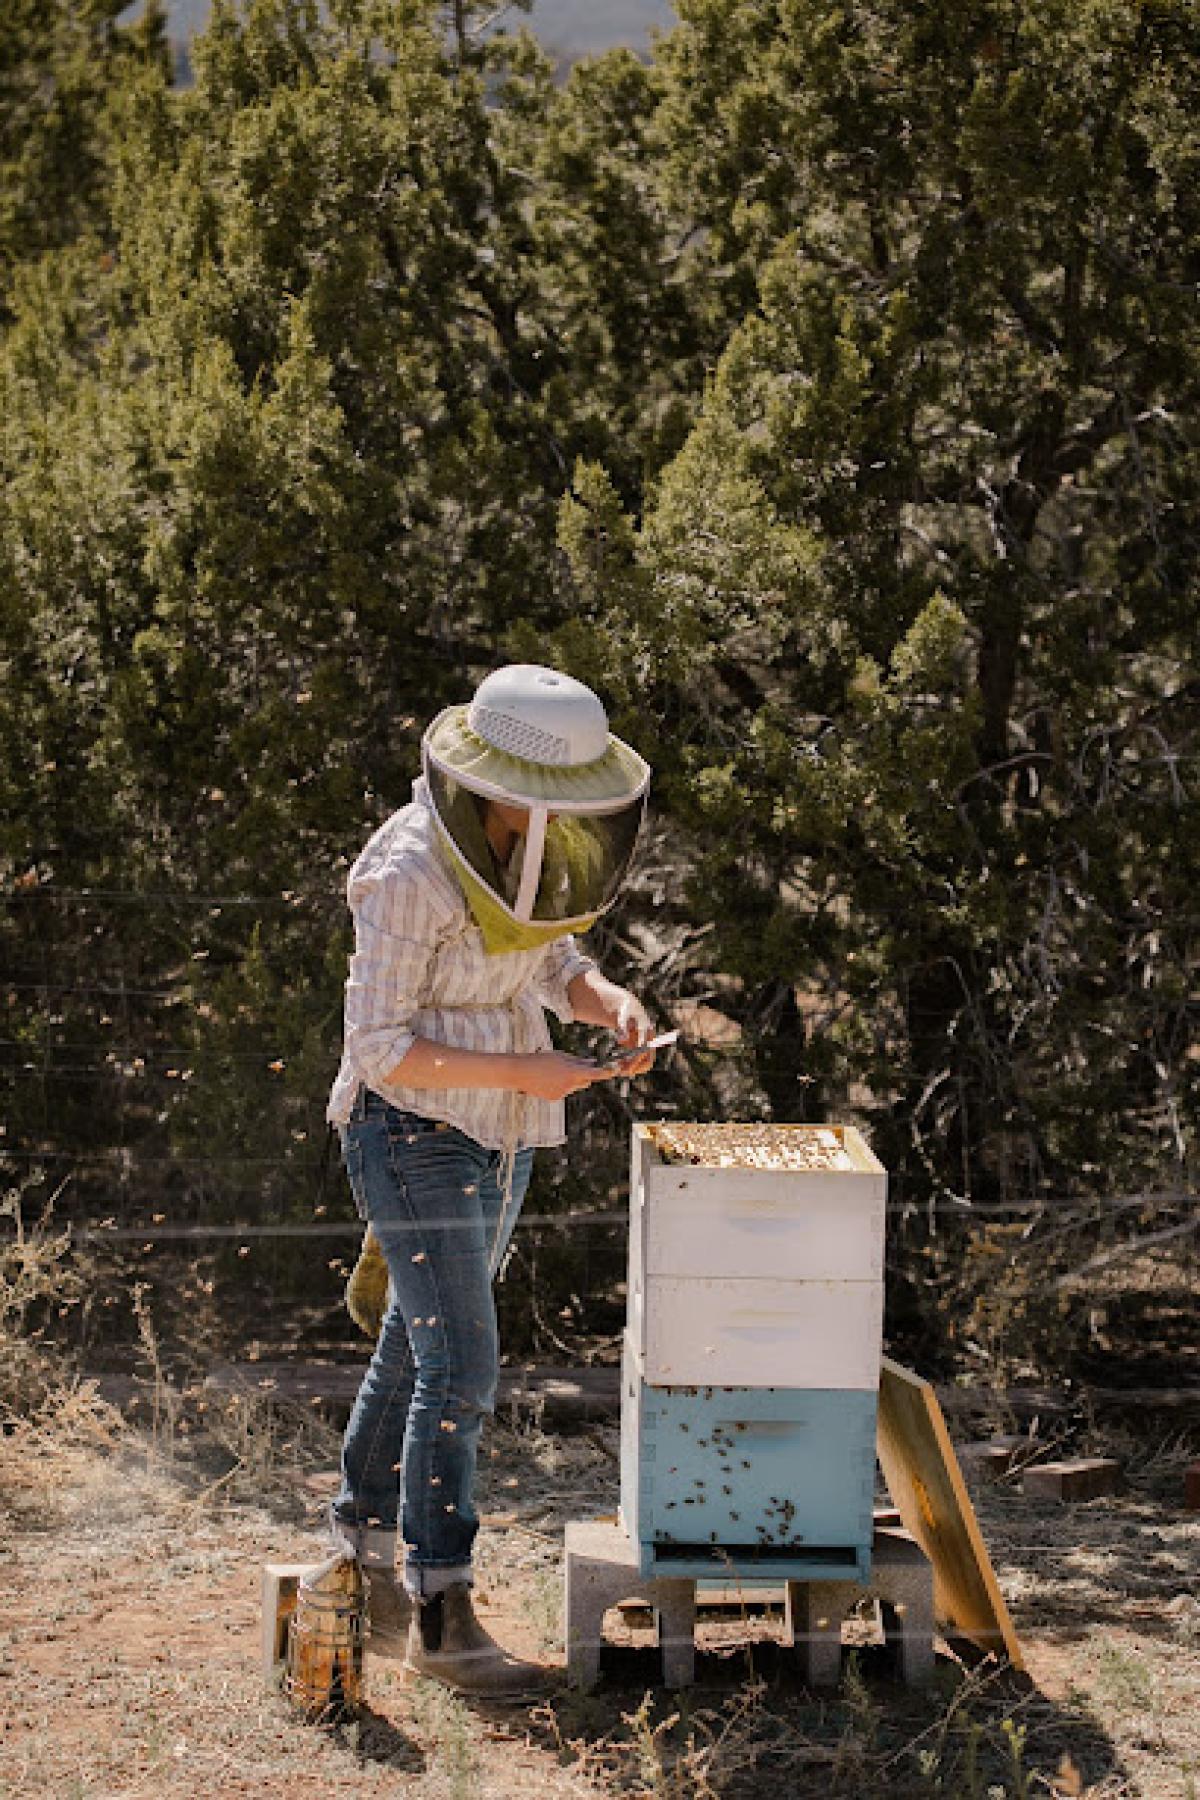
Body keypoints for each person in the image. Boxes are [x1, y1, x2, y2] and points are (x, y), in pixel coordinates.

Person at [324, 663, 655, 1696]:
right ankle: (440, 1606)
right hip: (407, 1128)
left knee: (414, 1346)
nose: (554, 816)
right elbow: (378, 1047)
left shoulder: (527, 836)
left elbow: (551, 957)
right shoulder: (406, 867)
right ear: (494, 778)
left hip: (500, 1131)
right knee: (462, 1363)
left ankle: (359, 1557)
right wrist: (526, 1068)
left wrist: (607, 1000)